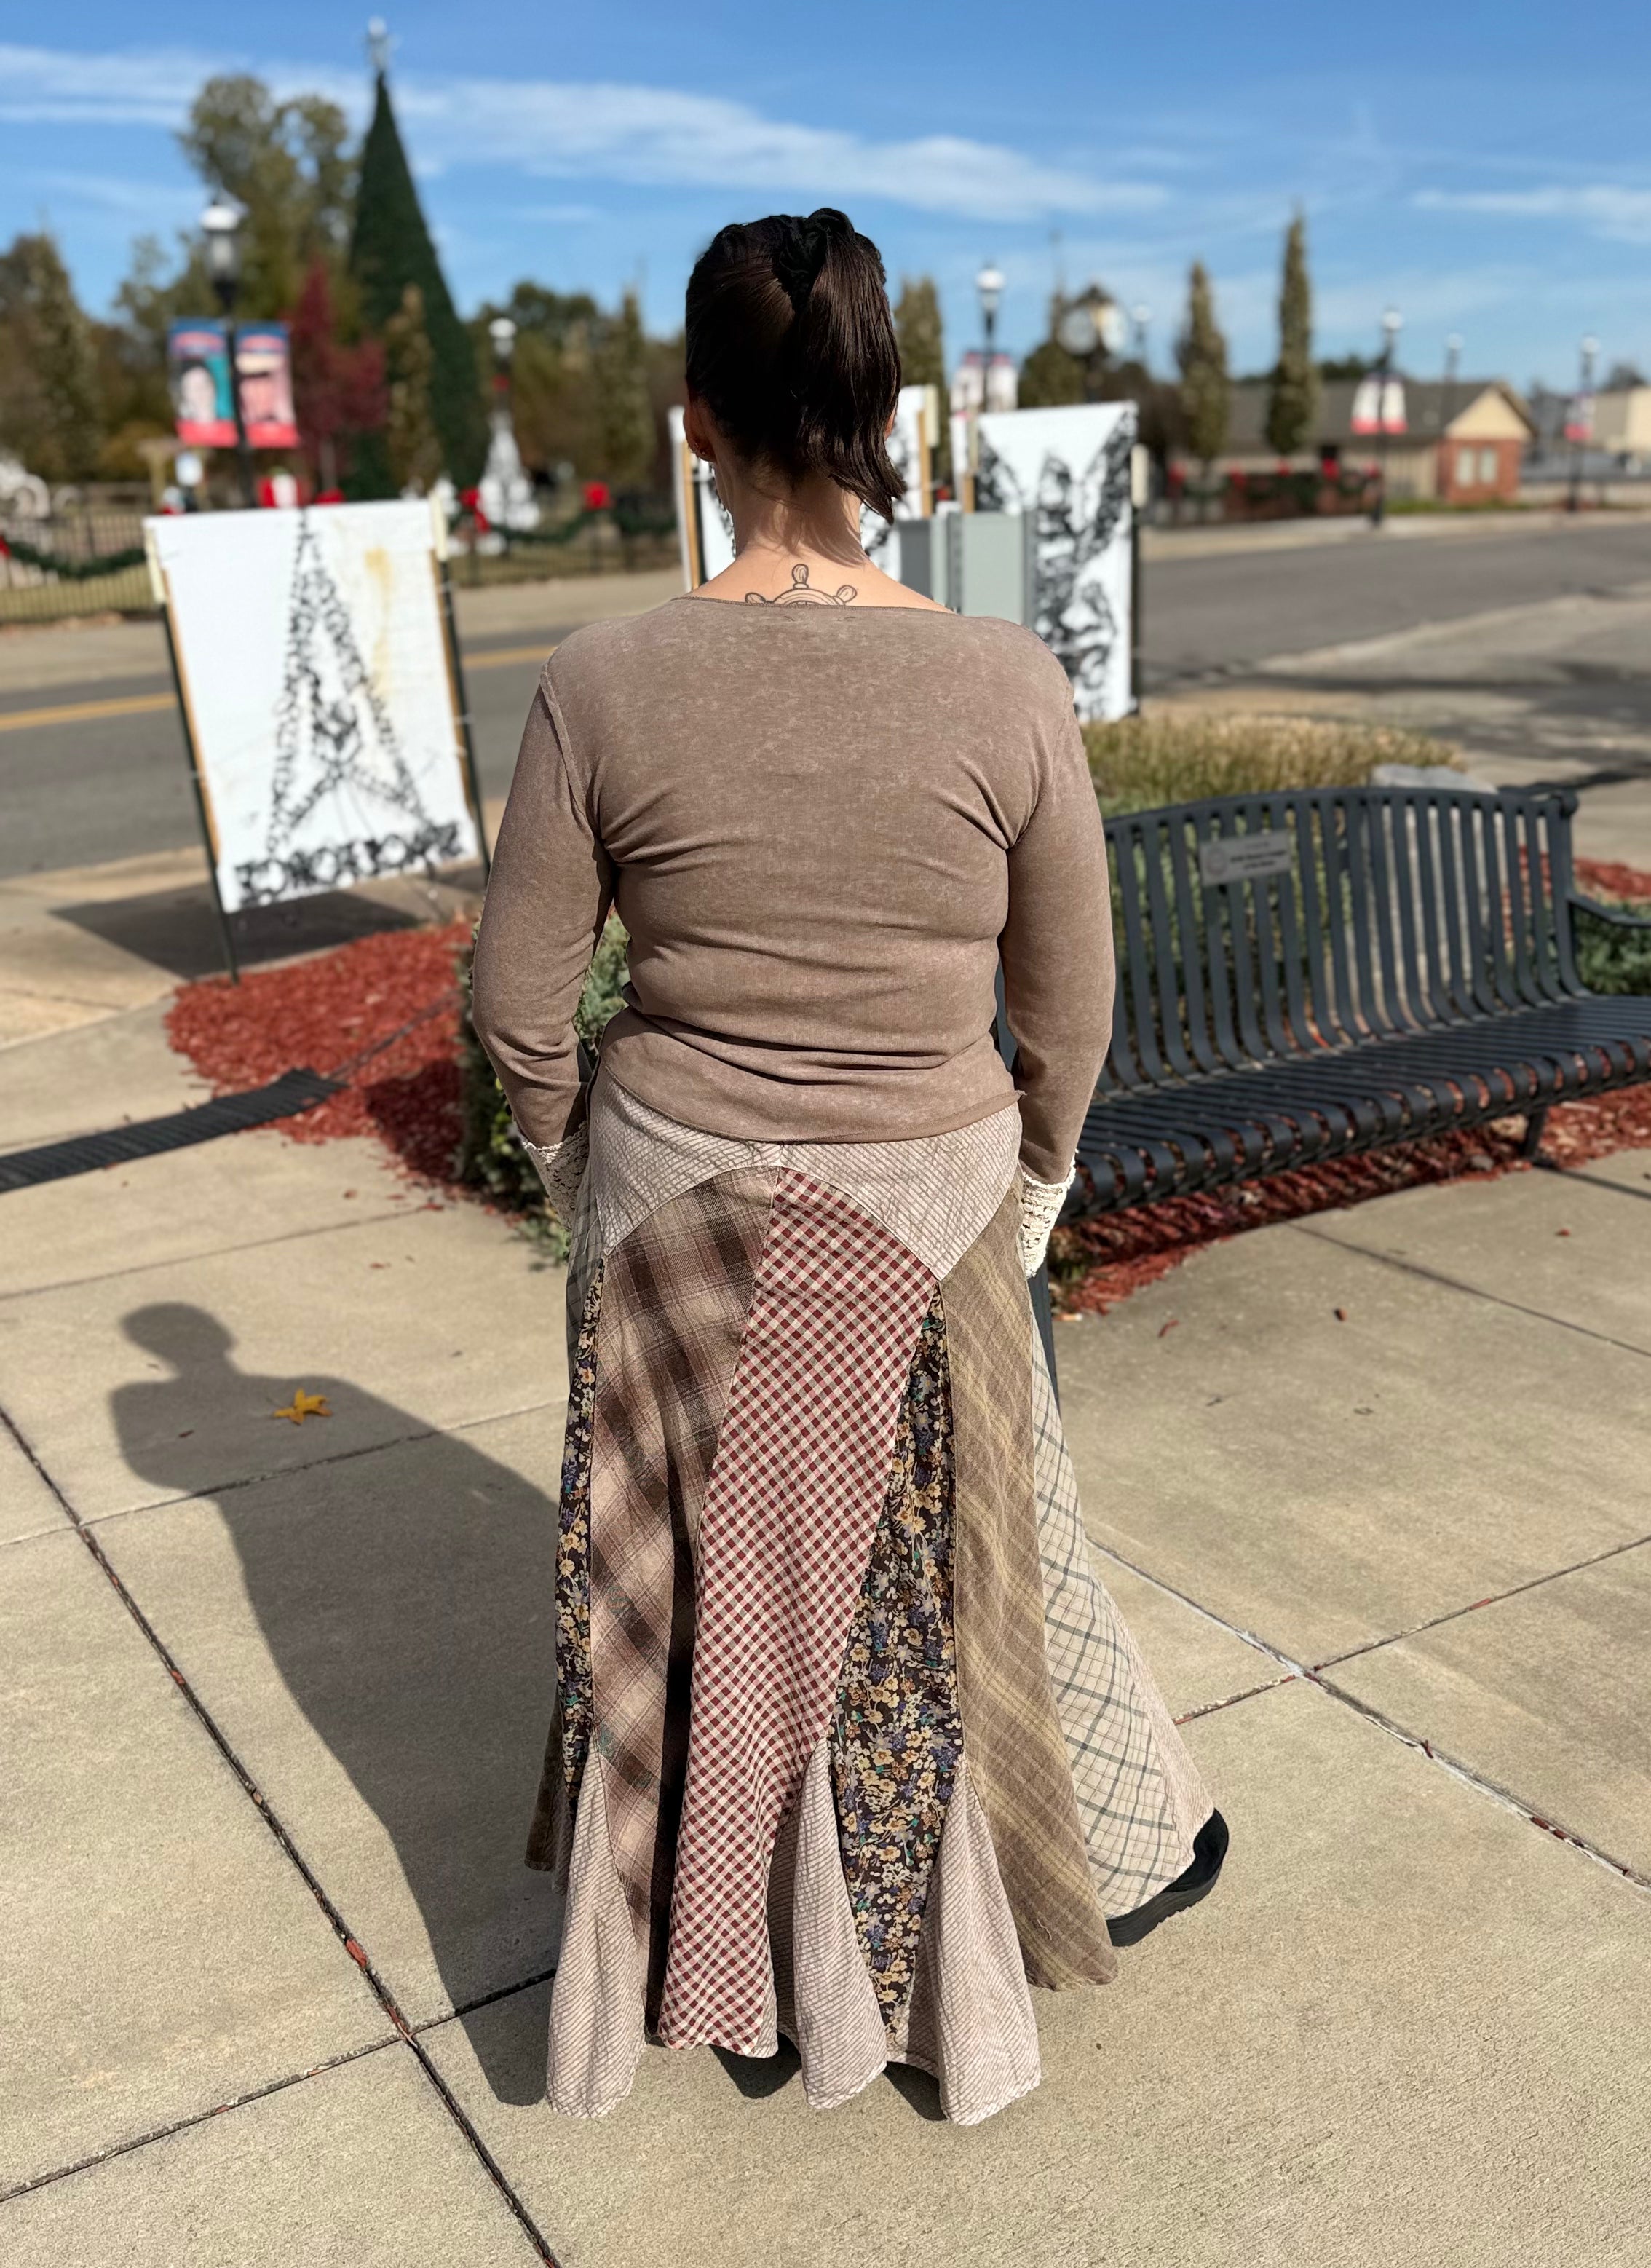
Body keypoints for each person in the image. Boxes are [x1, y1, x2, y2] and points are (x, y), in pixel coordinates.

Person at [471, 207, 1226, 2127]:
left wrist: (581, 1175)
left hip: (675, 1214)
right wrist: (1033, 1192)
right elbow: (1066, 1011)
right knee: (949, 1585)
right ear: (884, 410)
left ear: (695, 421)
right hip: (925, 1201)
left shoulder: (600, 677)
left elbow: (515, 1002)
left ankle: (706, 1952)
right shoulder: (1003, 682)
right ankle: (945, 1948)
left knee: (713, 1589)